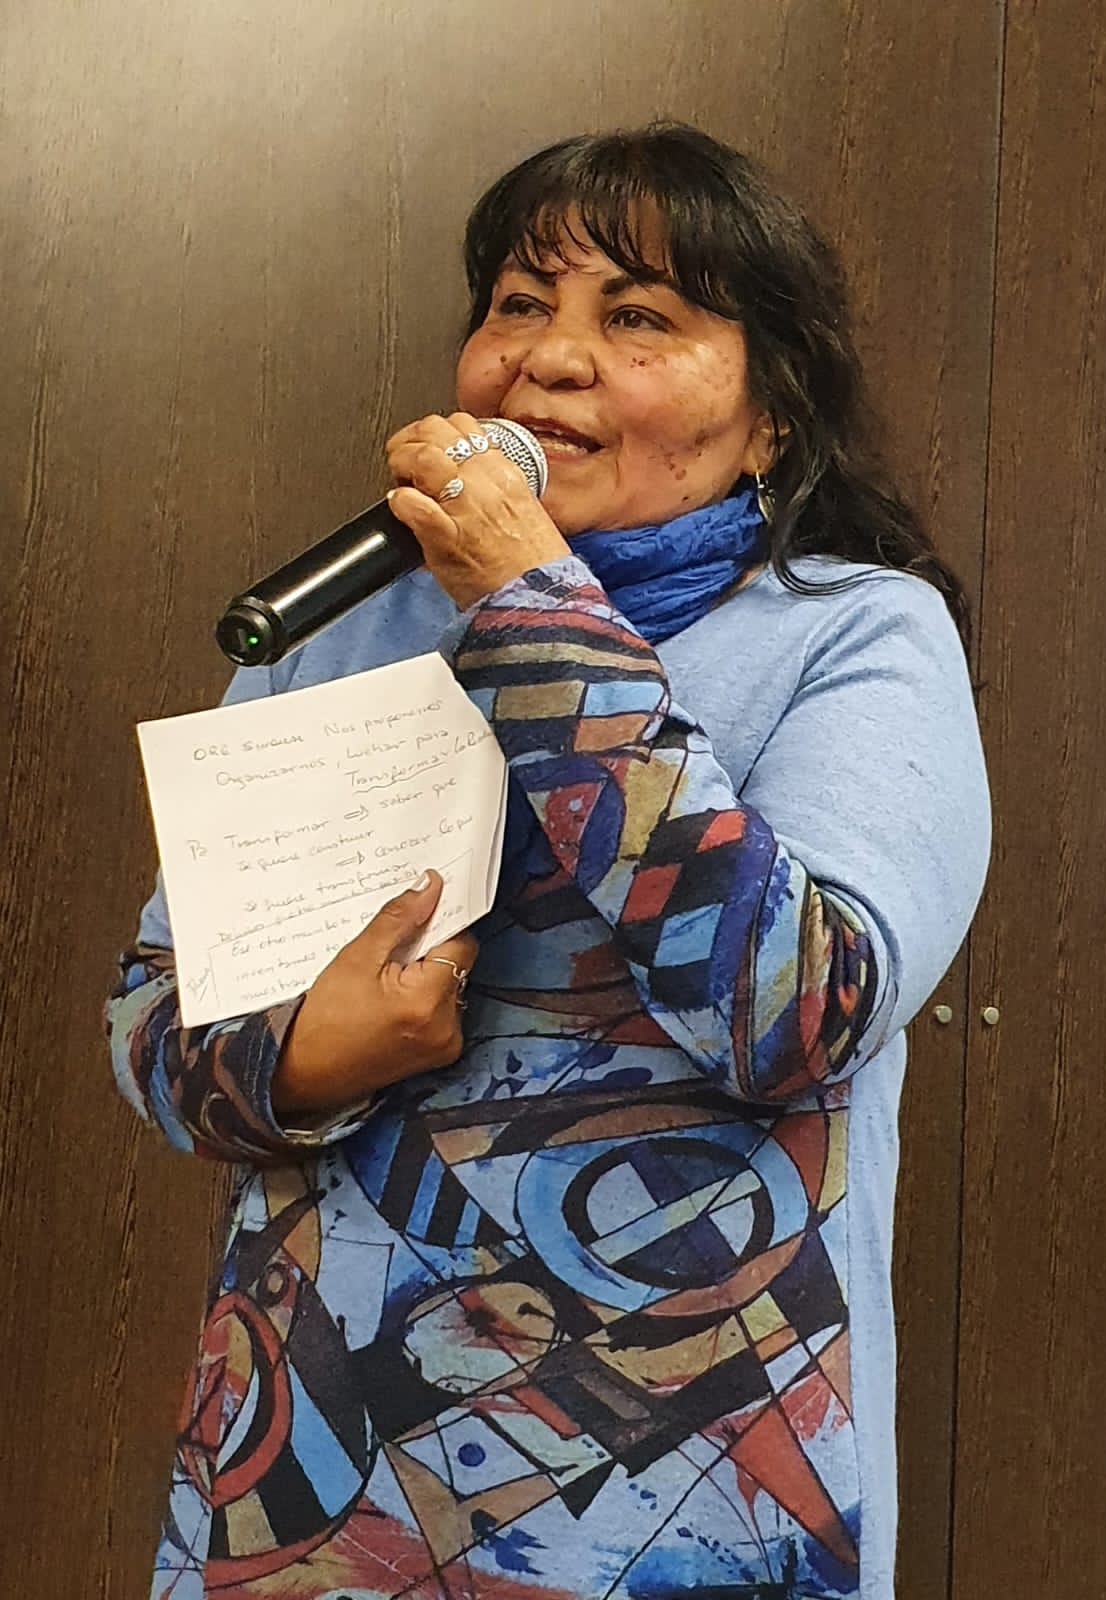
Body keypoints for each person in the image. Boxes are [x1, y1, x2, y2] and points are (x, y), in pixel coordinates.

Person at [107, 123, 989, 1600]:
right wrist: (303, 1060)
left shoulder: (858, 634)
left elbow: (798, 1010)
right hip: (312, 1478)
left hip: (690, 1487)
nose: (551, 356)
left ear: (771, 419)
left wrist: (530, 597)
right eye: (520, 303)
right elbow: (156, 1020)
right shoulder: (337, 636)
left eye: (637, 316)